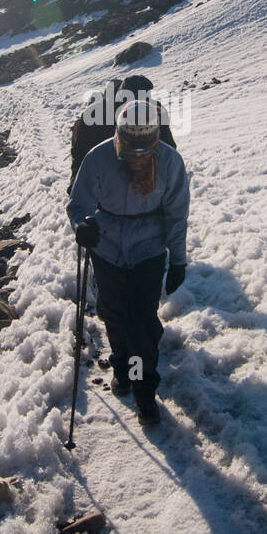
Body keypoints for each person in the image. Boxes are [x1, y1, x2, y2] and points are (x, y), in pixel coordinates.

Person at [67, 98, 190, 425]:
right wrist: (83, 226)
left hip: (148, 251)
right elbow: (77, 205)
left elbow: (177, 216)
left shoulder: (170, 162)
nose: (136, 154)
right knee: (113, 312)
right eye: (130, 144)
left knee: (142, 323)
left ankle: (143, 389)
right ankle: (121, 366)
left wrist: (178, 260)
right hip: (107, 249)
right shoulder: (99, 158)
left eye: (143, 146)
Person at [67, 74, 176, 193]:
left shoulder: (157, 111)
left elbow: (169, 148)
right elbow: (81, 154)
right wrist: (76, 183)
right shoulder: (96, 115)